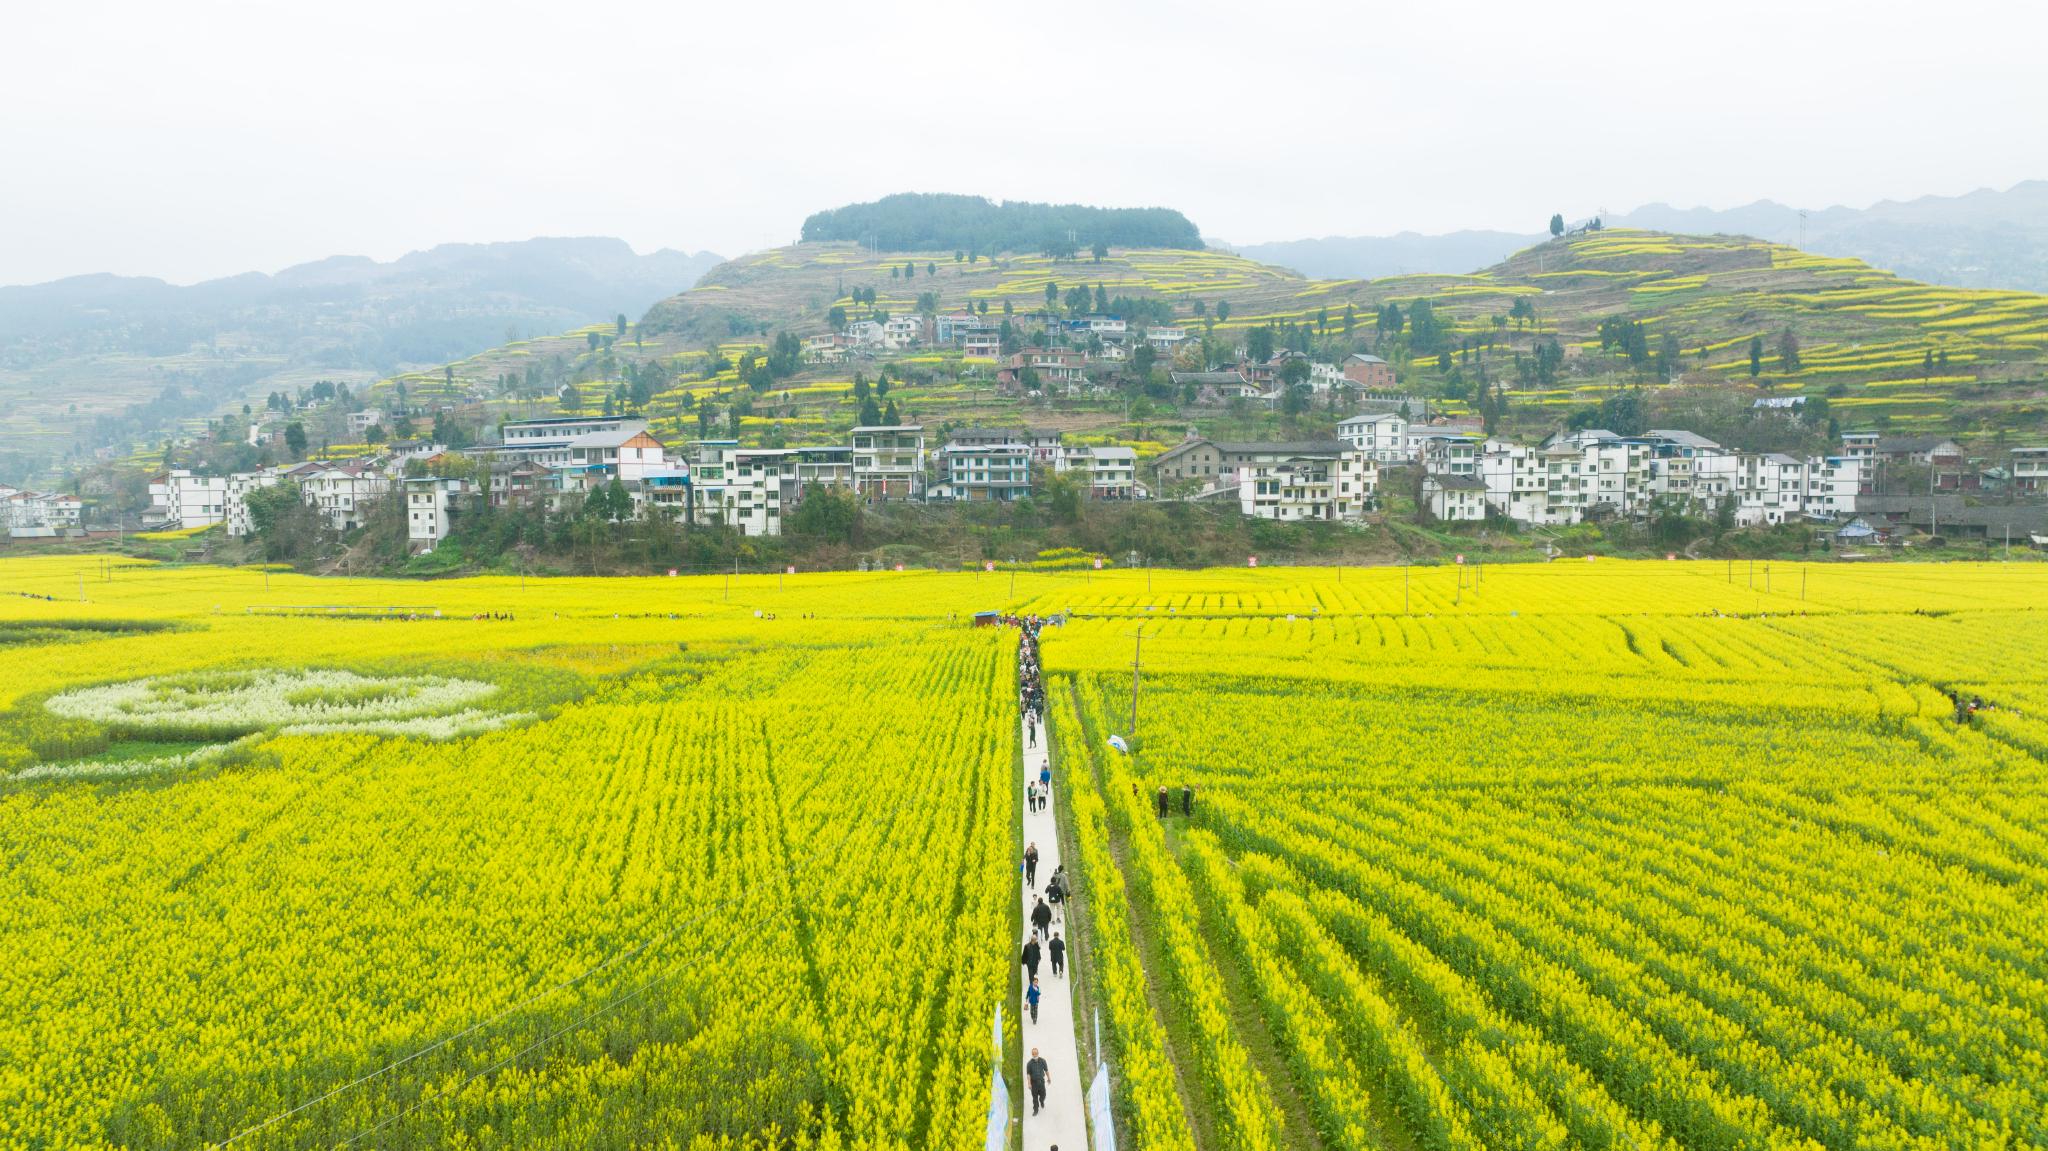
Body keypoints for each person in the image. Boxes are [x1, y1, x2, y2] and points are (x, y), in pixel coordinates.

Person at [1026, 1048, 1049, 1116]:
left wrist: (1049, 1078)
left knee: (1043, 1095)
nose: (1035, 1055)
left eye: (1036, 1053)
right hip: (1034, 1083)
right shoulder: (1029, 1064)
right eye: (1033, 1054)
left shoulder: (1043, 1061)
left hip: (1041, 1082)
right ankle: (1036, 1110)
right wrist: (1029, 1083)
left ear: (1038, 1053)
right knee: (1035, 1098)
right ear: (1032, 1054)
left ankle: (1041, 1101)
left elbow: (1046, 1070)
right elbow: (1028, 1074)